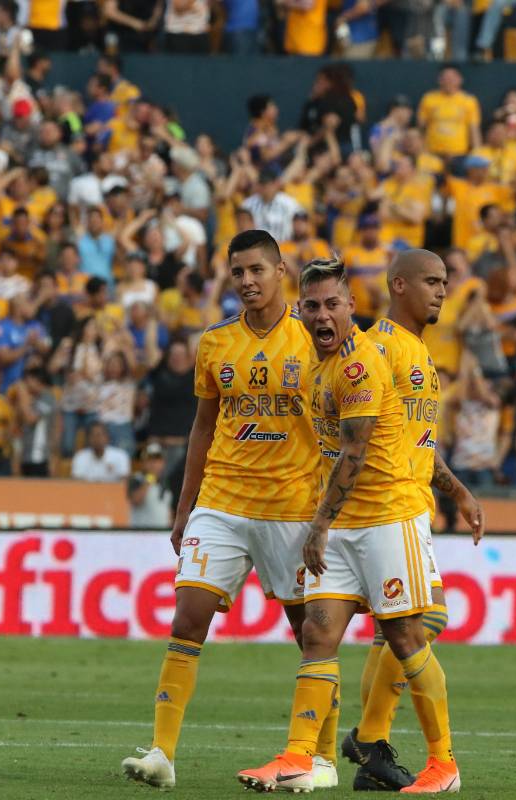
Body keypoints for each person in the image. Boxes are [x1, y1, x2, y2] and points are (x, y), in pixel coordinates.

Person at [237, 258, 460, 794]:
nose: (322, 315)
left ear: (350, 308)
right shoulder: (316, 365)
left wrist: (316, 524)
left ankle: (442, 764)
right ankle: (297, 755)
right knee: (318, 634)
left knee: (407, 634)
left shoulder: (360, 365)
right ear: (300, 311)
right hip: (340, 523)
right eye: (311, 306)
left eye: (332, 304)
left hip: (385, 517)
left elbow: (356, 451)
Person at [122, 231, 330, 790]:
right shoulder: (215, 342)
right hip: (222, 500)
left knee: (309, 632)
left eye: (257, 269)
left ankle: (323, 754)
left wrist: (329, 512)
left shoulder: (314, 340)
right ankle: (162, 753)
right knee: (189, 616)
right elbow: (203, 427)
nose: (247, 281)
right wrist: (185, 507)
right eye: (238, 271)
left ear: (281, 269)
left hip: (291, 506)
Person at [346, 250, 484, 789]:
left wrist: (459, 492)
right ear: (398, 285)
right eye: (431, 281)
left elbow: (419, 443)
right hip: (387, 506)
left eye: (445, 282)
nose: (441, 291)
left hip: (412, 504)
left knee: (403, 627)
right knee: (418, 623)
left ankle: (370, 741)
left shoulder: (420, 353)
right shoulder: (380, 347)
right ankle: (390, 743)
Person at [128, 442, 173, 527]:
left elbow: (168, 508)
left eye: (157, 460)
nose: (154, 464)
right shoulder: (136, 479)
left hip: (161, 534)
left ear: (163, 463)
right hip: (140, 533)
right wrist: (148, 480)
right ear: (143, 462)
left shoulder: (165, 481)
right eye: (150, 460)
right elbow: (136, 501)